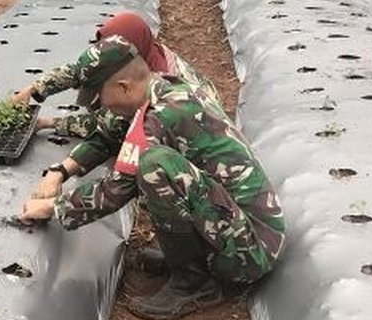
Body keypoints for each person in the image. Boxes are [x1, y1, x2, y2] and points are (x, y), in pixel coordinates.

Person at [19, 37, 285, 320]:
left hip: (250, 251)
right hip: (232, 225)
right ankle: (187, 260)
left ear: (123, 87)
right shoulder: (159, 90)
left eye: (99, 97)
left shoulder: (165, 114)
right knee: (156, 166)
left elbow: (116, 189)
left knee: (154, 166)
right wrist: (60, 173)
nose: (99, 107)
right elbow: (107, 135)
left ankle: (194, 283)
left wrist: (53, 208)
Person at [11, 10, 219, 138]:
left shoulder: (161, 85)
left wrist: (49, 123)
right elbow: (86, 69)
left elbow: (109, 127)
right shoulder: (140, 50)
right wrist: (34, 89)